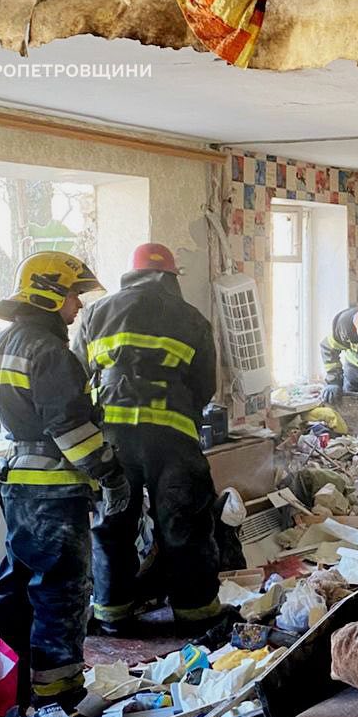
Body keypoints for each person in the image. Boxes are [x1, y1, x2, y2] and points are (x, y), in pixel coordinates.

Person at [0, 251, 130, 712]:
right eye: (72, 294)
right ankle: (59, 695)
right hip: (52, 489)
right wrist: (110, 474)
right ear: (48, 294)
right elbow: (70, 428)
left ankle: (13, 687)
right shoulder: (50, 352)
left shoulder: (8, 341)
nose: (78, 305)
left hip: (18, 486)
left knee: (18, 586)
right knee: (61, 593)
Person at [73, 242, 236, 637]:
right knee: (184, 523)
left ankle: (112, 614)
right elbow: (205, 386)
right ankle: (196, 613)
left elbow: (76, 377)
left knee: (113, 525)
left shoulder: (95, 313)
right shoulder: (191, 318)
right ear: (170, 276)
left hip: (112, 439)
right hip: (172, 438)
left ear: (132, 273)